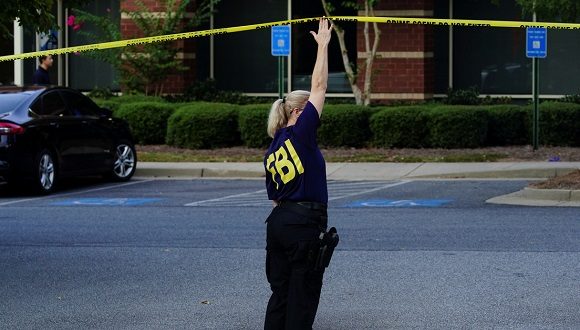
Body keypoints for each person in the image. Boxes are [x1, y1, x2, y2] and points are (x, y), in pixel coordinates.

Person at [263, 17, 338, 330]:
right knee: (302, 298)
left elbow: (274, 199)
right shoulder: (302, 132)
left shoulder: (273, 148)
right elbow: (320, 86)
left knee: (280, 295)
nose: (315, 113)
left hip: (278, 226)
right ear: (298, 111)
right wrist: (322, 47)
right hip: (302, 226)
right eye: (309, 108)